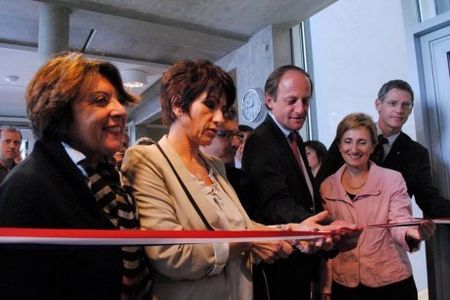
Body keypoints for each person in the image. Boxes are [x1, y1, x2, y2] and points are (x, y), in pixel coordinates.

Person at [122, 59, 354, 300]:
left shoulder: (213, 165)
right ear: (178, 105)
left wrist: (301, 232)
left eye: (223, 108)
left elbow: (246, 229)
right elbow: (171, 255)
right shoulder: (147, 159)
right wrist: (249, 242)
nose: (220, 118)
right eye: (210, 105)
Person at [0, 52, 151, 299]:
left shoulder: (103, 174)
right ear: (60, 111)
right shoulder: (27, 187)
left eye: (118, 100)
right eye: (101, 100)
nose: (120, 110)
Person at [320, 113, 435, 300]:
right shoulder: (327, 186)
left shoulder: (392, 179)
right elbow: (329, 240)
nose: (354, 149)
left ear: (373, 146)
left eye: (362, 142)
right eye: (348, 141)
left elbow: (400, 219)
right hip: (345, 283)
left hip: (391, 282)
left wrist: (414, 232)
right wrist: (326, 285)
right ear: (340, 146)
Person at [242, 65, 328, 300]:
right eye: (292, 101)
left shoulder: (294, 137)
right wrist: (319, 228)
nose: (301, 109)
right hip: (279, 262)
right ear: (269, 100)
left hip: (302, 258)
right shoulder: (261, 141)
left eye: (305, 100)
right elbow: (274, 203)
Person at [317, 79, 450, 217]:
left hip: (391, 233)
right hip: (344, 227)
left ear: (411, 110)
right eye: (393, 103)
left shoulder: (416, 153)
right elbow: (322, 184)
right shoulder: (349, 139)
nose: (399, 110)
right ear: (378, 104)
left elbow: (429, 201)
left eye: (406, 105)